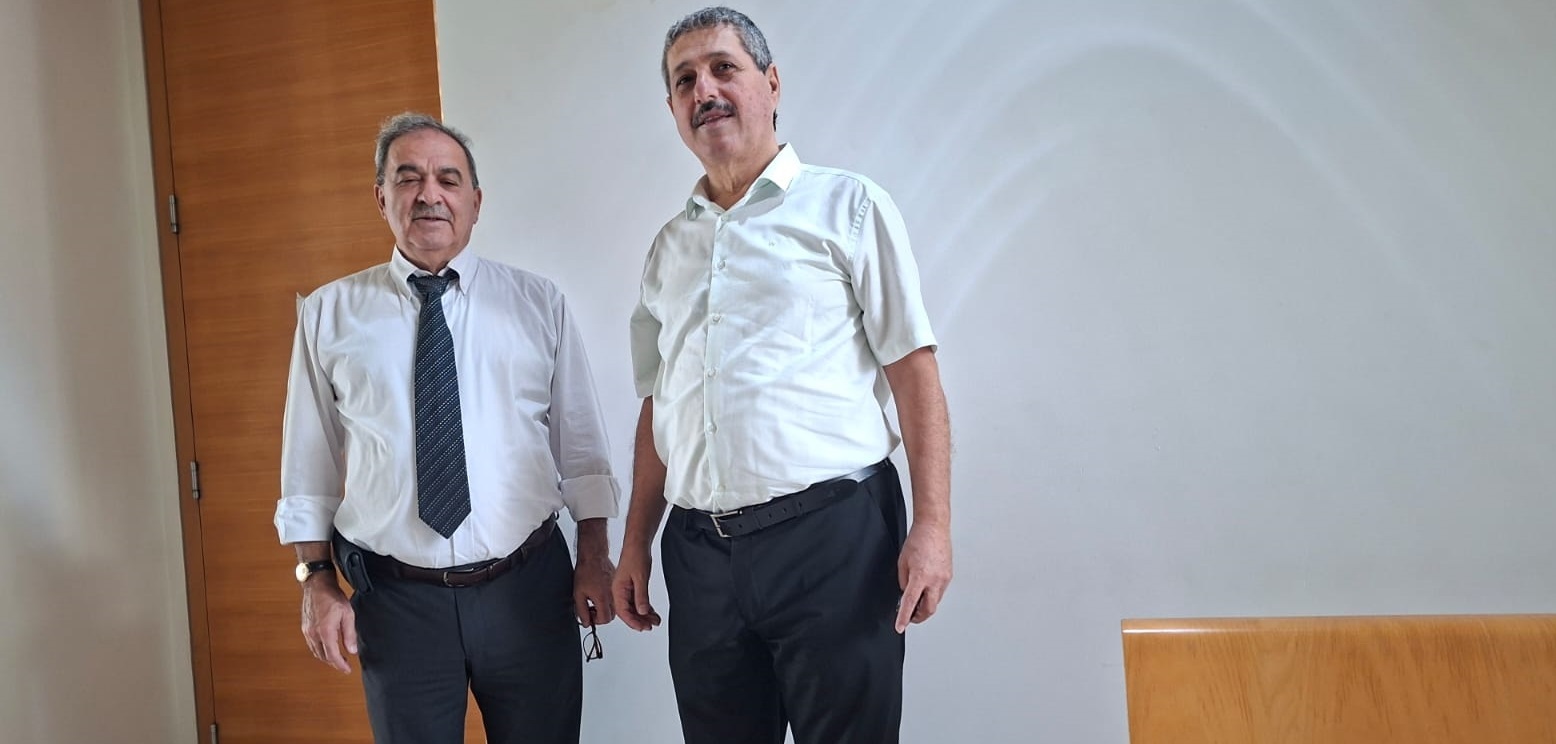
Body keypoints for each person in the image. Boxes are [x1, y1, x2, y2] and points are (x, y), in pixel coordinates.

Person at [611, 7, 953, 743]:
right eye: (684, 80)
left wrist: (933, 526)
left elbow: (913, 371)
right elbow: (659, 403)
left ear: (771, 83)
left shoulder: (848, 207)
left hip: (835, 541)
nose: (704, 90)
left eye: (722, 68)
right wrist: (636, 540)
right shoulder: (667, 250)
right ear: (672, 109)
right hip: (700, 555)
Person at [274, 112, 618, 744]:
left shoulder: (537, 303)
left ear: (475, 202)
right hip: (398, 603)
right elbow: (308, 463)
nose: (429, 194)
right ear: (381, 198)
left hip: (527, 591)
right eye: (408, 178)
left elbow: (582, 447)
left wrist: (594, 555)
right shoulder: (329, 314)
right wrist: (315, 579)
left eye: (448, 179)